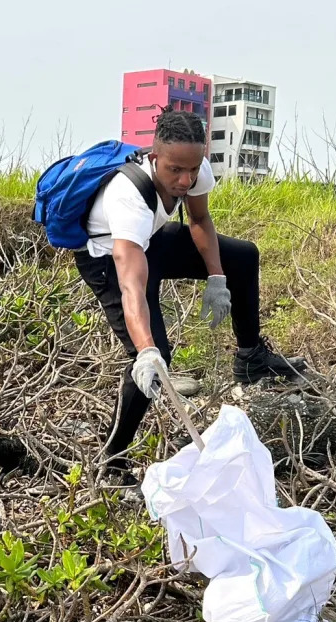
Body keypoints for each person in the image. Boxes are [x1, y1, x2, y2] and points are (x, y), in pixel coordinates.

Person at [74, 107, 305, 480]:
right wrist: (146, 349)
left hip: (152, 240)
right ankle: (112, 462)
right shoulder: (127, 197)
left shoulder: (195, 168)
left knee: (243, 257)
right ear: (154, 158)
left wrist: (217, 278)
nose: (185, 180)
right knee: (151, 359)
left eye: (192, 169)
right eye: (175, 170)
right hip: (108, 260)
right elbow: (131, 280)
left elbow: (199, 220)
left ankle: (251, 358)